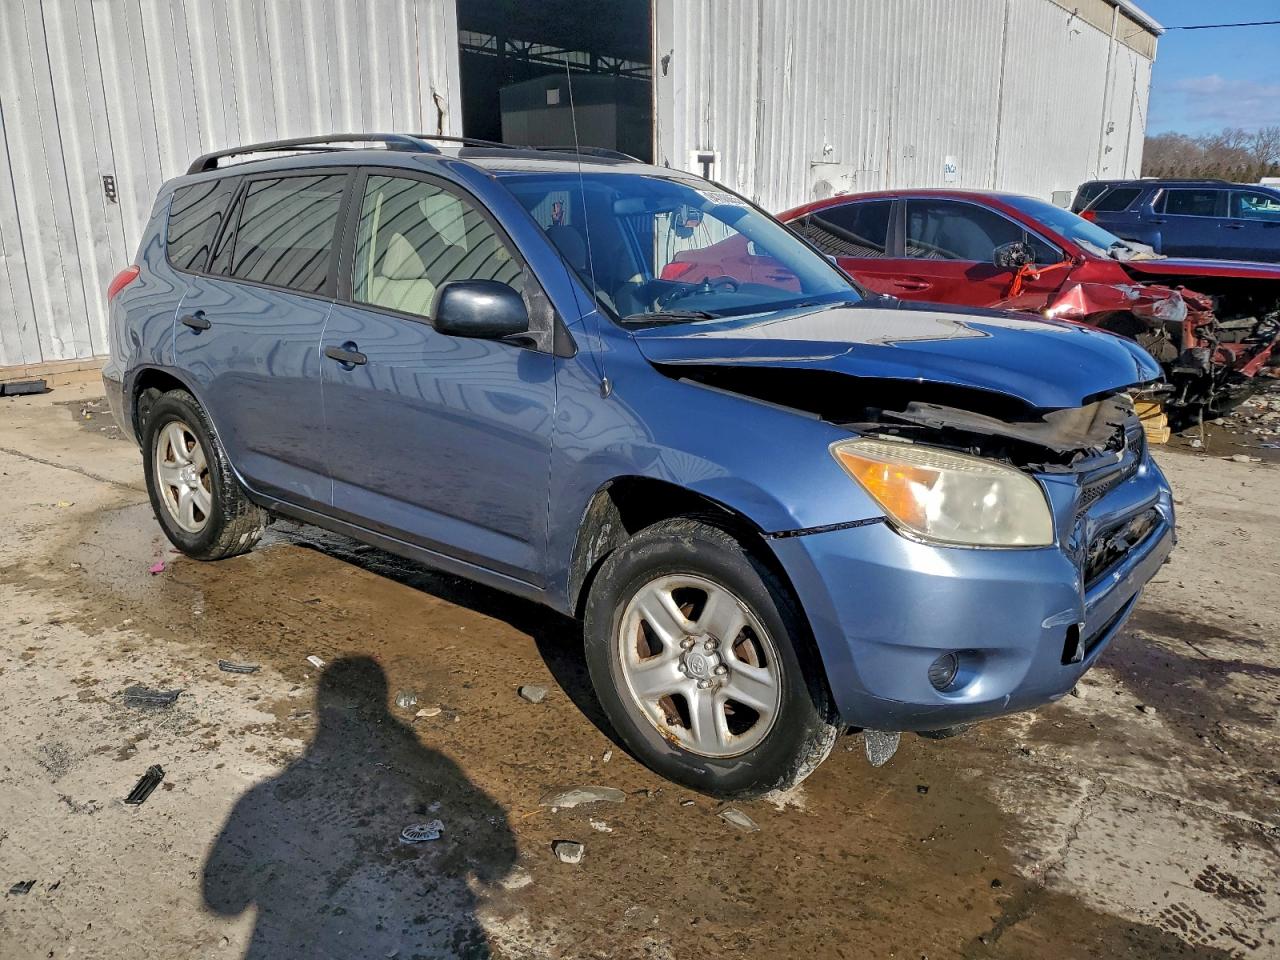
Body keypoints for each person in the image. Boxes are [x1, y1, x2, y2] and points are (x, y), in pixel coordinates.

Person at [203, 656, 516, 959]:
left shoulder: (264, 802)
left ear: (322, 714)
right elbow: (499, 860)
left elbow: (222, 900)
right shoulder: (434, 773)